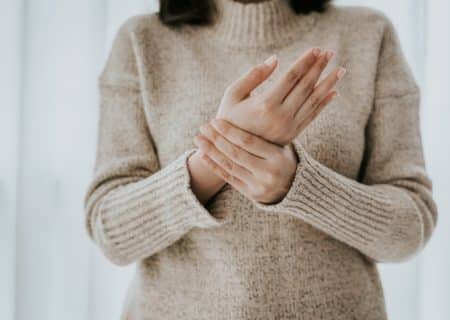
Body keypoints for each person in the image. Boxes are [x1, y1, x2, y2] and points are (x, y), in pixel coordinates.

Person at [83, 0, 438, 319]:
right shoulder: (141, 41)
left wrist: (297, 184)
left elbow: (409, 230)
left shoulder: (368, 34)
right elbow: (111, 233)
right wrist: (218, 159)